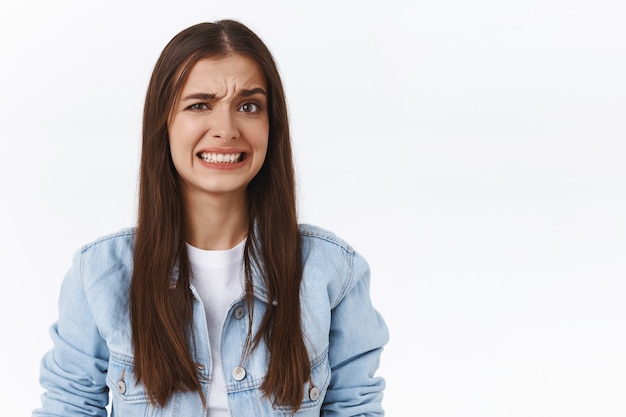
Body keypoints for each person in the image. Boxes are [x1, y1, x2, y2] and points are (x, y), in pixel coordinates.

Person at [33, 20, 388, 417]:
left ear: (272, 125)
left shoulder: (332, 271)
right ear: (164, 122)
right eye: (200, 104)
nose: (225, 129)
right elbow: (67, 408)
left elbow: (355, 409)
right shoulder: (99, 274)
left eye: (249, 106)